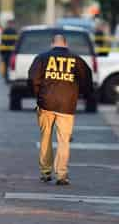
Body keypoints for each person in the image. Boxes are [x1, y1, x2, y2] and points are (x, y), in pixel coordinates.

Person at [28, 34, 93, 185]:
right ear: (66, 43)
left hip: (46, 103)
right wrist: (80, 94)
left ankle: (45, 171)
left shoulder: (42, 58)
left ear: (52, 44)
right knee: (64, 140)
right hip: (67, 104)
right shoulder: (76, 60)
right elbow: (86, 78)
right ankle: (61, 174)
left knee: (46, 137)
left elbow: (33, 79)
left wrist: (38, 95)